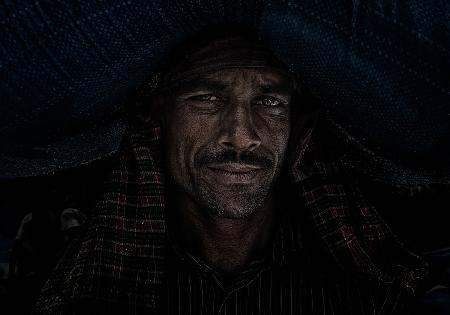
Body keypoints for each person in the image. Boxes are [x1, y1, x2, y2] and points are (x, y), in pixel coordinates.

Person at [33, 27, 428, 314]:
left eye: (270, 101)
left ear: (297, 124)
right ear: (158, 116)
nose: (241, 137)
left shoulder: (362, 293)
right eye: (207, 98)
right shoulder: (85, 288)